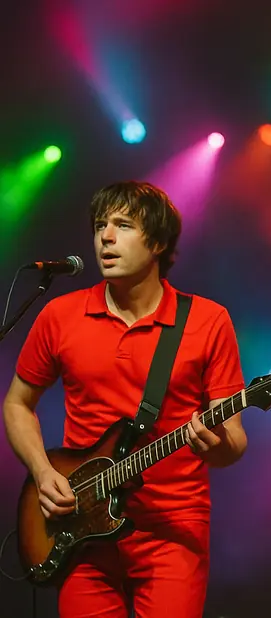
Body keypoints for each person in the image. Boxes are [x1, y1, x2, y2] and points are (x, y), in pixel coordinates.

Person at [3, 181, 247, 618]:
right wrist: (42, 472)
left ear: (156, 242)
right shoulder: (60, 314)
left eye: (123, 225)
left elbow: (234, 442)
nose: (105, 238)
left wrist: (217, 445)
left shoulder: (208, 320)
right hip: (78, 528)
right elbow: (18, 403)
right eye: (100, 226)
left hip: (173, 531)